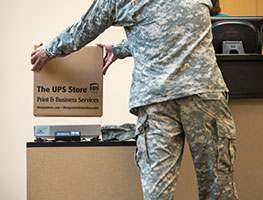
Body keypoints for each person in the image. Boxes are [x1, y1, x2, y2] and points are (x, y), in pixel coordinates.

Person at [31, 0, 238, 199]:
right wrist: (119, 49)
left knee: (157, 194)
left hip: (158, 103)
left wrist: (48, 51)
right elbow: (168, 28)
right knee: (218, 190)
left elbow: (85, 27)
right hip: (200, 97)